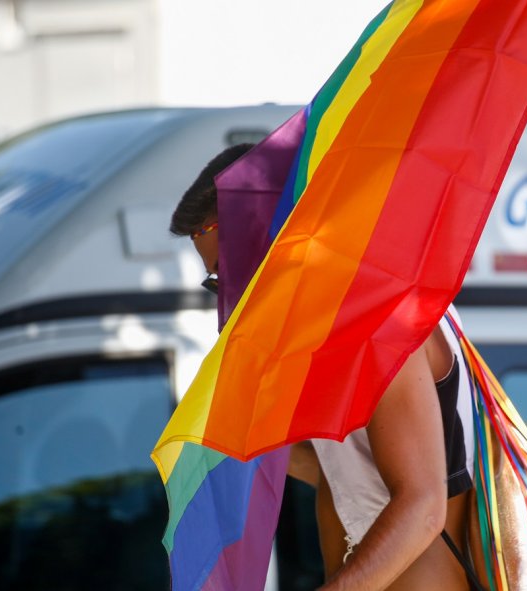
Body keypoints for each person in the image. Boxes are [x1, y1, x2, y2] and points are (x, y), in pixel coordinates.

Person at [170, 144, 478, 590]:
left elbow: (422, 505)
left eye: (225, 273)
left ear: (270, 239)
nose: (227, 296)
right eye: (215, 282)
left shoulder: (380, 322)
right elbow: (344, 477)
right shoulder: (331, 334)